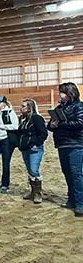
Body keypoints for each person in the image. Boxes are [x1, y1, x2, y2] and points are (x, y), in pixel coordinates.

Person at [47, 82, 83, 217]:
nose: (59, 95)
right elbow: (50, 126)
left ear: (70, 93)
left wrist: (60, 124)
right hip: (62, 144)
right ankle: (72, 200)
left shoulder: (79, 106)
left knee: (76, 174)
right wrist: (52, 124)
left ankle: (81, 203)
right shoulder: (58, 108)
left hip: (76, 144)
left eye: (61, 92)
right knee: (67, 173)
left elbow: (79, 123)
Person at [18, 99, 48, 204]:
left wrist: (36, 143)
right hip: (25, 148)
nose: (20, 108)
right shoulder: (22, 119)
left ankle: (37, 193)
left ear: (30, 108)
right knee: (30, 170)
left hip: (35, 148)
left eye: (23, 106)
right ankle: (33, 191)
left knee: (34, 170)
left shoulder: (37, 118)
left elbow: (43, 133)